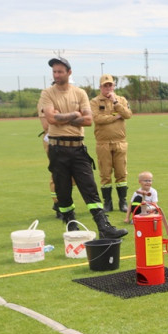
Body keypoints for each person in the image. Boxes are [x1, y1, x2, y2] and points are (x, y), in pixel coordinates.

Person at [37, 57, 126, 239]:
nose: (56, 74)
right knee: (62, 190)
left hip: (78, 148)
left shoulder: (80, 93)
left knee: (89, 187)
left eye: (60, 71)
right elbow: (51, 119)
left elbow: (88, 120)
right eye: (54, 71)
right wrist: (75, 114)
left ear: (69, 73)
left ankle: (104, 226)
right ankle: (71, 225)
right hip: (57, 148)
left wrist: (63, 116)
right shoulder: (47, 93)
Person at [91, 74, 133, 214]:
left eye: (110, 85)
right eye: (105, 85)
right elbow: (97, 119)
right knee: (105, 174)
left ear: (114, 86)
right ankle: (107, 203)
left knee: (121, 173)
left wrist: (116, 103)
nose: (108, 88)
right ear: (100, 87)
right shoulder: (95, 101)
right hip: (103, 143)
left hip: (120, 142)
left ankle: (123, 202)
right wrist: (115, 117)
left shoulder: (121, 100)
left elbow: (128, 115)